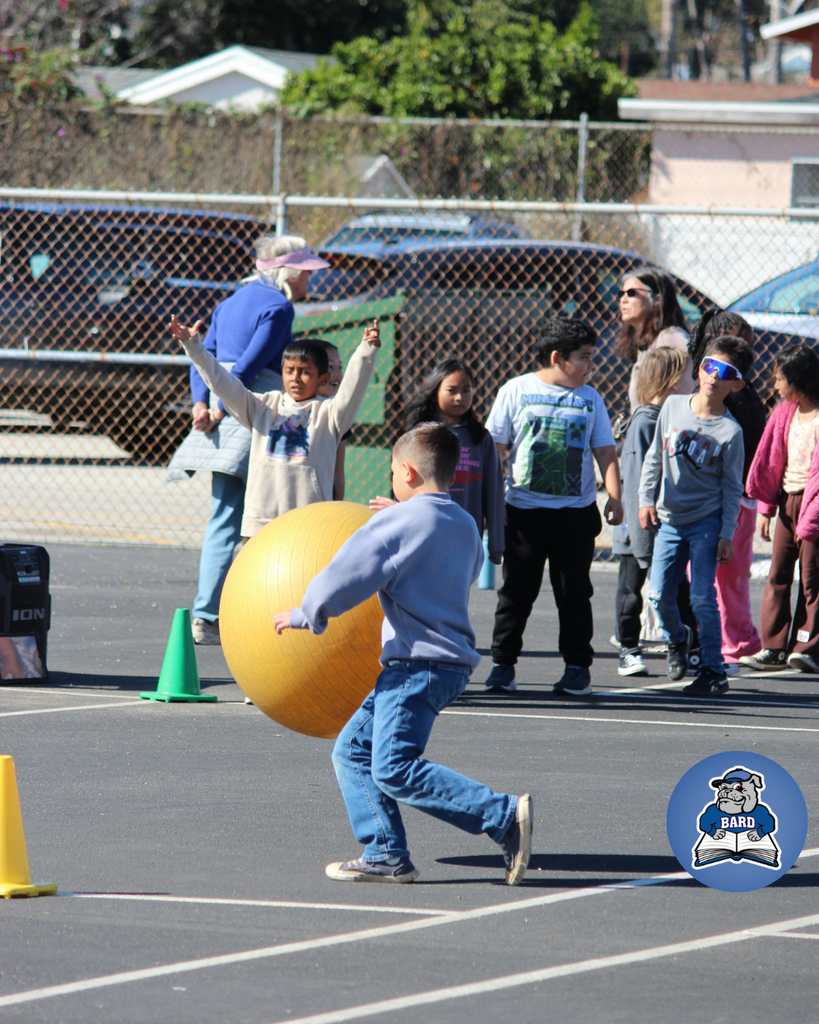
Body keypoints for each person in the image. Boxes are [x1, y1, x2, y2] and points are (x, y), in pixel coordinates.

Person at [273, 422, 533, 885]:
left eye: (393, 470)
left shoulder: (395, 522)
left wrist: (307, 613)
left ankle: (501, 815)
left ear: (407, 471)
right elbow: (460, 568)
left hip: (416, 665)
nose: (391, 477)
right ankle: (385, 852)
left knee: (393, 767)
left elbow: (347, 573)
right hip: (446, 665)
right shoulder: (463, 523)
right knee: (354, 750)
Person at [166, 234, 331, 646]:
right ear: (288, 273)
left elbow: (208, 356)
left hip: (223, 412)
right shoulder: (279, 307)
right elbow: (251, 363)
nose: (309, 281)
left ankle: (207, 615)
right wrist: (221, 407)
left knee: (223, 518)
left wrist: (200, 405)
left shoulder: (228, 301)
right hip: (255, 414)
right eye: (306, 273)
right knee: (265, 523)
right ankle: (246, 612)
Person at [483, 318, 624, 697]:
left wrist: (614, 495)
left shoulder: (590, 398)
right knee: (516, 592)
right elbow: (495, 448)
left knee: (574, 592)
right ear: (557, 357)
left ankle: (577, 667)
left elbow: (605, 450)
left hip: (575, 516)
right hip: (524, 513)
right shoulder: (516, 390)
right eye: (584, 358)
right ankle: (503, 665)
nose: (590, 366)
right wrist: (494, 503)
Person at [169, 318, 380, 539]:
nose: (296, 378)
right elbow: (224, 384)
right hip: (261, 522)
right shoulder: (262, 407)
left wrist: (366, 350)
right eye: (290, 371)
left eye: (305, 371)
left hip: (310, 523)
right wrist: (194, 348)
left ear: (323, 378)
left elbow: (352, 389)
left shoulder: (331, 414)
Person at [638, 334, 750, 697]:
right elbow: (655, 456)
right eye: (708, 366)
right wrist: (645, 499)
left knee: (703, 596)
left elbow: (732, 488)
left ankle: (715, 671)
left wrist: (726, 533)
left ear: (737, 383)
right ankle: (678, 638)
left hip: (706, 523)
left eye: (725, 372)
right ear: (700, 366)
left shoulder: (730, 432)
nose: (713, 377)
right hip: (669, 519)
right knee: (657, 596)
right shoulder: (672, 407)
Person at [688, 310, 767, 671]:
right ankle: (722, 641)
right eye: (736, 338)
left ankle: (739, 640)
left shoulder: (742, 389)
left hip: (740, 496)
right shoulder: (711, 393)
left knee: (732, 571)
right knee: (706, 573)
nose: (744, 345)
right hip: (713, 496)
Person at [369, 358, 505, 565]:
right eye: (451, 390)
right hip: (421, 534)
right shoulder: (418, 435)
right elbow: (404, 482)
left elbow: (493, 493)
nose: (460, 397)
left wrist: (496, 545)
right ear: (434, 393)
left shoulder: (481, 439)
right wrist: (398, 515)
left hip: (462, 539)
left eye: (466, 390)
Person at [742, 345, 819, 673]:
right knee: (778, 574)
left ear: (798, 380)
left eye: (779, 379)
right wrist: (767, 506)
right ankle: (773, 647)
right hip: (788, 500)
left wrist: (810, 520)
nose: (774, 385)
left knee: (812, 579)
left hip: (813, 503)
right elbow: (772, 461)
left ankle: (808, 646)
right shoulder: (785, 413)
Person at [613, 347, 690, 677]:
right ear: (673, 382)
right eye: (688, 375)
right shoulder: (645, 422)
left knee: (678, 591)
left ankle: (686, 647)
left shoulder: (678, 418)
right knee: (632, 592)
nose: (694, 381)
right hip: (639, 528)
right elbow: (633, 483)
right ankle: (628, 649)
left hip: (670, 526)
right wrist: (641, 534)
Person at [616, 268, 695, 415]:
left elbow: (690, 393)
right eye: (621, 294)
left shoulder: (671, 339)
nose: (623, 299)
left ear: (657, 299)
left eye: (632, 293)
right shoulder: (650, 339)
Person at [317, 340, 350, 501]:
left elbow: (338, 474)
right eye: (330, 367)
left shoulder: (339, 415)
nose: (338, 374)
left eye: (339, 367)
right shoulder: (282, 410)